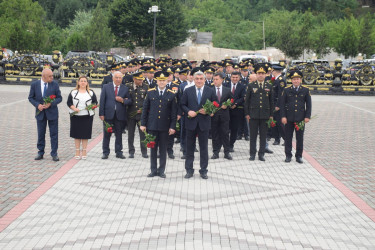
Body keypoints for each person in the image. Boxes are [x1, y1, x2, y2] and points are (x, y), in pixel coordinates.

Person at [180, 71, 218, 179]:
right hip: (190, 123)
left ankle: (203, 170)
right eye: (197, 79)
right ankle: (189, 170)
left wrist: (209, 111)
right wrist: (188, 111)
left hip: (204, 123)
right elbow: (182, 104)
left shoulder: (210, 91)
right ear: (194, 79)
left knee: (204, 148)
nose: (199, 81)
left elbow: (215, 104)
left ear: (205, 80)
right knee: (189, 148)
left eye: (201, 79)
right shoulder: (188, 90)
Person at [140, 72, 177, 178]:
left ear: (167, 81)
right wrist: (143, 124)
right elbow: (145, 110)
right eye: (160, 80)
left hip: (165, 127)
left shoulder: (171, 94)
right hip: (152, 126)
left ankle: (161, 171)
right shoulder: (150, 92)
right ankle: (153, 170)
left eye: (164, 80)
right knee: (153, 149)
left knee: (163, 149)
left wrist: (172, 126)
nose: (161, 82)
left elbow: (173, 113)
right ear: (157, 81)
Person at [28, 68, 62, 161]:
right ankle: (40, 152)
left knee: (54, 134)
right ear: (43, 76)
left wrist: (51, 103)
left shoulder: (54, 84)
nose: (52, 77)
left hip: (53, 113)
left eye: (52, 76)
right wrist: (37, 105)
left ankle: (54, 153)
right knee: (41, 134)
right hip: (40, 114)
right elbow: (30, 97)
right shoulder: (35, 85)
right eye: (50, 76)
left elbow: (59, 98)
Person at [280, 70, 312, 164]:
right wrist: (283, 116)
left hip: (300, 119)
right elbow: (282, 104)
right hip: (288, 118)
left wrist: (307, 116)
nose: (296, 81)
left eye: (298, 79)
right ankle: (288, 155)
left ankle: (299, 156)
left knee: (300, 138)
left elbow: (309, 104)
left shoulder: (305, 90)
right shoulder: (286, 90)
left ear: (301, 80)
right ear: (291, 80)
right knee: (288, 137)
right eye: (294, 79)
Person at [99, 71, 132, 159]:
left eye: (120, 78)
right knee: (107, 134)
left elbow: (129, 100)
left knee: (119, 134)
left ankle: (119, 152)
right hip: (108, 115)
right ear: (113, 78)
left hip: (119, 115)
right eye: (116, 77)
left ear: (122, 79)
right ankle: (105, 152)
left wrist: (122, 100)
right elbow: (102, 101)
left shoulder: (125, 88)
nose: (118, 79)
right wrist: (101, 113)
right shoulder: (106, 87)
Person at [244, 64, 274, 161]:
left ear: (265, 75)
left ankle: (261, 154)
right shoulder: (251, 85)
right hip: (253, 115)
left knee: (263, 136)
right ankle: (252, 154)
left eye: (262, 73)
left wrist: (271, 115)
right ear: (256, 74)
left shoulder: (269, 86)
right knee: (253, 136)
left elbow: (271, 101)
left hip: (265, 115)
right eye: (259, 73)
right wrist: (247, 114)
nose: (260, 75)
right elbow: (247, 101)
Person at [67, 75, 98, 160]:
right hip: (75, 116)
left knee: (85, 135)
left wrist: (91, 107)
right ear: (78, 82)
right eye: (81, 81)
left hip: (87, 116)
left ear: (87, 83)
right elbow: (69, 102)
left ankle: (84, 151)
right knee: (77, 134)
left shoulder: (91, 92)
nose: (83, 82)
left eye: (85, 81)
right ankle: (77, 151)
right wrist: (74, 108)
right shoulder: (73, 92)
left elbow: (95, 102)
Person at [126, 72, 149, 158]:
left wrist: (143, 110)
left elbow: (147, 101)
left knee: (142, 134)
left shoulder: (145, 86)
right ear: (134, 79)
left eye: (141, 79)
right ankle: (131, 151)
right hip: (131, 114)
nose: (141, 81)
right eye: (139, 79)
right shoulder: (128, 86)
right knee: (130, 134)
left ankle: (144, 151)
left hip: (141, 115)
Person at [211, 73, 233, 160]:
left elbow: (232, 100)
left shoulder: (227, 90)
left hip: (224, 116)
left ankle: (226, 152)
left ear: (221, 80)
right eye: (214, 79)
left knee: (225, 134)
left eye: (217, 79)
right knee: (215, 135)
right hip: (214, 116)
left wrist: (227, 105)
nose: (215, 81)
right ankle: (215, 152)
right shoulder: (210, 90)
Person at [223, 71, 246, 152]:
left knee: (234, 129)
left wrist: (235, 104)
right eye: (233, 77)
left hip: (237, 110)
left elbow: (243, 97)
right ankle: (225, 144)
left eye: (236, 77)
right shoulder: (225, 85)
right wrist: (228, 104)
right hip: (226, 110)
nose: (235, 79)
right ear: (230, 77)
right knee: (225, 128)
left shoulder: (242, 86)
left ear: (239, 78)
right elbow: (223, 96)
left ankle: (231, 144)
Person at [271, 64, 286, 145]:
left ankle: (286, 139)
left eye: (272, 71)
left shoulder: (281, 80)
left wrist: (278, 105)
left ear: (275, 71)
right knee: (274, 122)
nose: (271, 72)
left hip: (278, 105)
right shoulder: (275, 79)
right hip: (273, 104)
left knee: (280, 123)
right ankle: (277, 139)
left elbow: (281, 94)